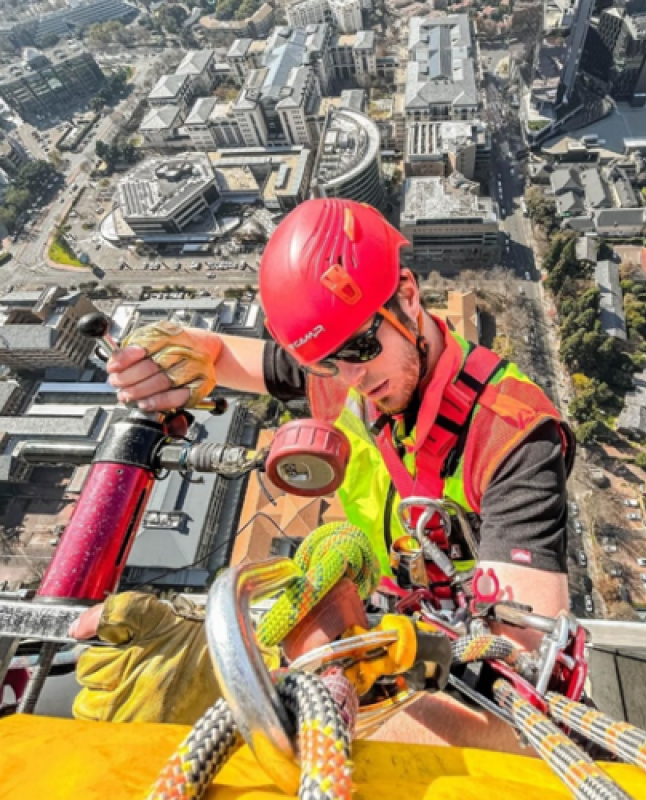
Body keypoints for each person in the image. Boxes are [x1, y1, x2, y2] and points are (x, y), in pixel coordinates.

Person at [107, 198, 575, 751]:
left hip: (459, 635)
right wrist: (174, 358)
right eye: (324, 362)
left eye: (359, 346)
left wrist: (290, 708)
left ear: (407, 294)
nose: (351, 377)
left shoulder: (514, 438)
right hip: (385, 608)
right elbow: (226, 357)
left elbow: (515, 720)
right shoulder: (340, 368)